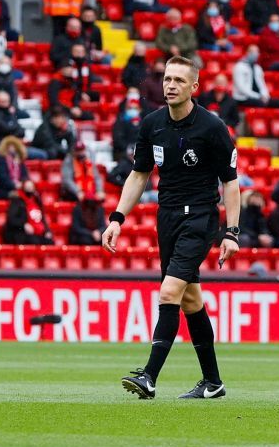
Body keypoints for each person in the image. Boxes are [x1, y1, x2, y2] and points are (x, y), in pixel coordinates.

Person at [102, 54, 242, 399]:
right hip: (167, 218)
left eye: (179, 80)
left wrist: (232, 233)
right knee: (190, 299)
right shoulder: (152, 125)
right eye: (167, 79)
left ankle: (149, 376)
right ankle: (213, 382)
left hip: (200, 217)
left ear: (194, 87)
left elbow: (232, 183)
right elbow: (139, 175)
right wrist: (117, 218)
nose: (170, 85)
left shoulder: (212, 128)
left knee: (168, 292)